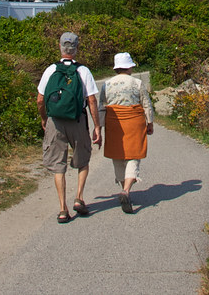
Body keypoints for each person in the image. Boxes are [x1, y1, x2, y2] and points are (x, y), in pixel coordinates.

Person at [36, 32, 102, 223]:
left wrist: (44, 118)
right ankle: (79, 197)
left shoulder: (50, 70)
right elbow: (91, 100)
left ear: (60, 47)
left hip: (55, 121)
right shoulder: (83, 71)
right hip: (77, 120)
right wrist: (97, 126)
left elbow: (40, 99)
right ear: (76, 48)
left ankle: (63, 209)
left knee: (58, 165)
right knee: (83, 159)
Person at [98, 52, 154, 214]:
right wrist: (149, 123)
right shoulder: (136, 83)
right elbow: (146, 104)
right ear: (129, 67)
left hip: (114, 123)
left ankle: (124, 188)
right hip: (134, 123)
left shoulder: (107, 85)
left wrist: (100, 127)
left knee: (118, 156)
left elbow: (103, 106)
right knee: (133, 156)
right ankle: (126, 191)